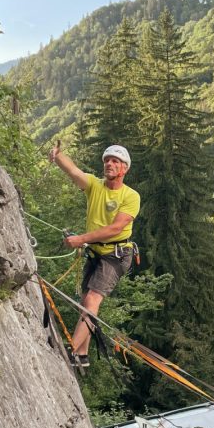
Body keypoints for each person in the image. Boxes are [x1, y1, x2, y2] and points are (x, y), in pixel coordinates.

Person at [49, 143, 140, 367]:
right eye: (107, 160)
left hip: (116, 255)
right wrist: (58, 155)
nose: (109, 164)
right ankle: (82, 355)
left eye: (115, 161)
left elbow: (115, 229)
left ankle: (69, 353)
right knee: (85, 303)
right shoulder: (94, 186)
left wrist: (81, 239)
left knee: (91, 301)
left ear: (124, 168)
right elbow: (73, 171)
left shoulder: (131, 196)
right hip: (97, 252)